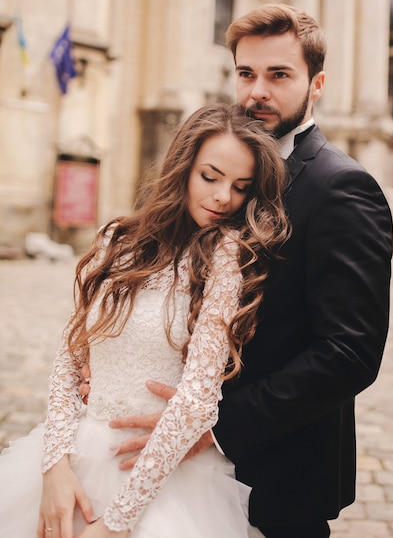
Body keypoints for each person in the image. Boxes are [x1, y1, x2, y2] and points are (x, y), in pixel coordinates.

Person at [86, 4, 393, 538]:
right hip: (162, 467)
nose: (257, 92)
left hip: (274, 471)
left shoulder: (342, 188)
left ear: (316, 83)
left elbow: (350, 353)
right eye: (246, 73)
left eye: (279, 75)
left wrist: (215, 429)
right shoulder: (219, 163)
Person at [0, 103, 291, 538]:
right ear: (182, 168)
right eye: (210, 177)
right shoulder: (116, 240)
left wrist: (115, 524)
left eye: (240, 187)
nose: (223, 197)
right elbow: (70, 355)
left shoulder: (226, 258)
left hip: (162, 481)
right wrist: (54, 465)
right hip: (77, 454)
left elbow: (195, 400)